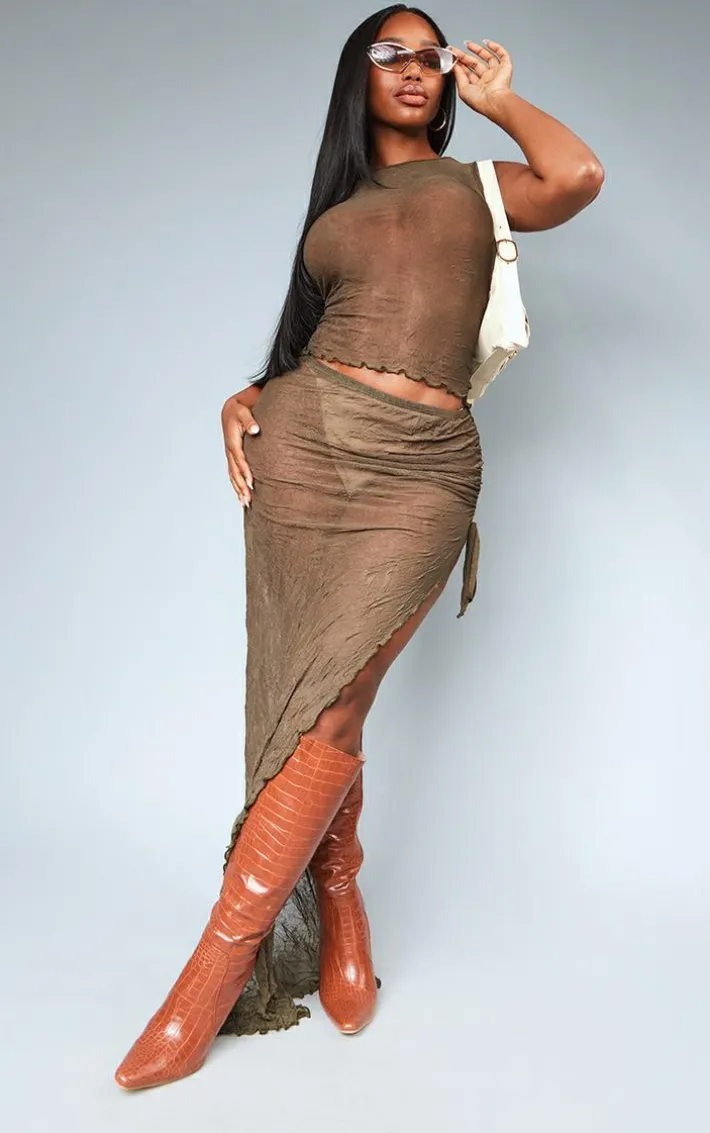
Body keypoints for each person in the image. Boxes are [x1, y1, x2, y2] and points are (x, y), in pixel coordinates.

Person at [114, 4, 604, 1091]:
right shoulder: (333, 210)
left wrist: (501, 102)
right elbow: (308, 336)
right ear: (358, 74)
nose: (416, 70)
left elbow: (575, 177)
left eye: (432, 57)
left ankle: (210, 976)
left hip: (423, 464)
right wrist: (249, 392)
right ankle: (336, 903)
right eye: (393, 54)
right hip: (306, 449)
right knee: (317, 703)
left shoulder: (477, 184)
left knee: (336, 699)